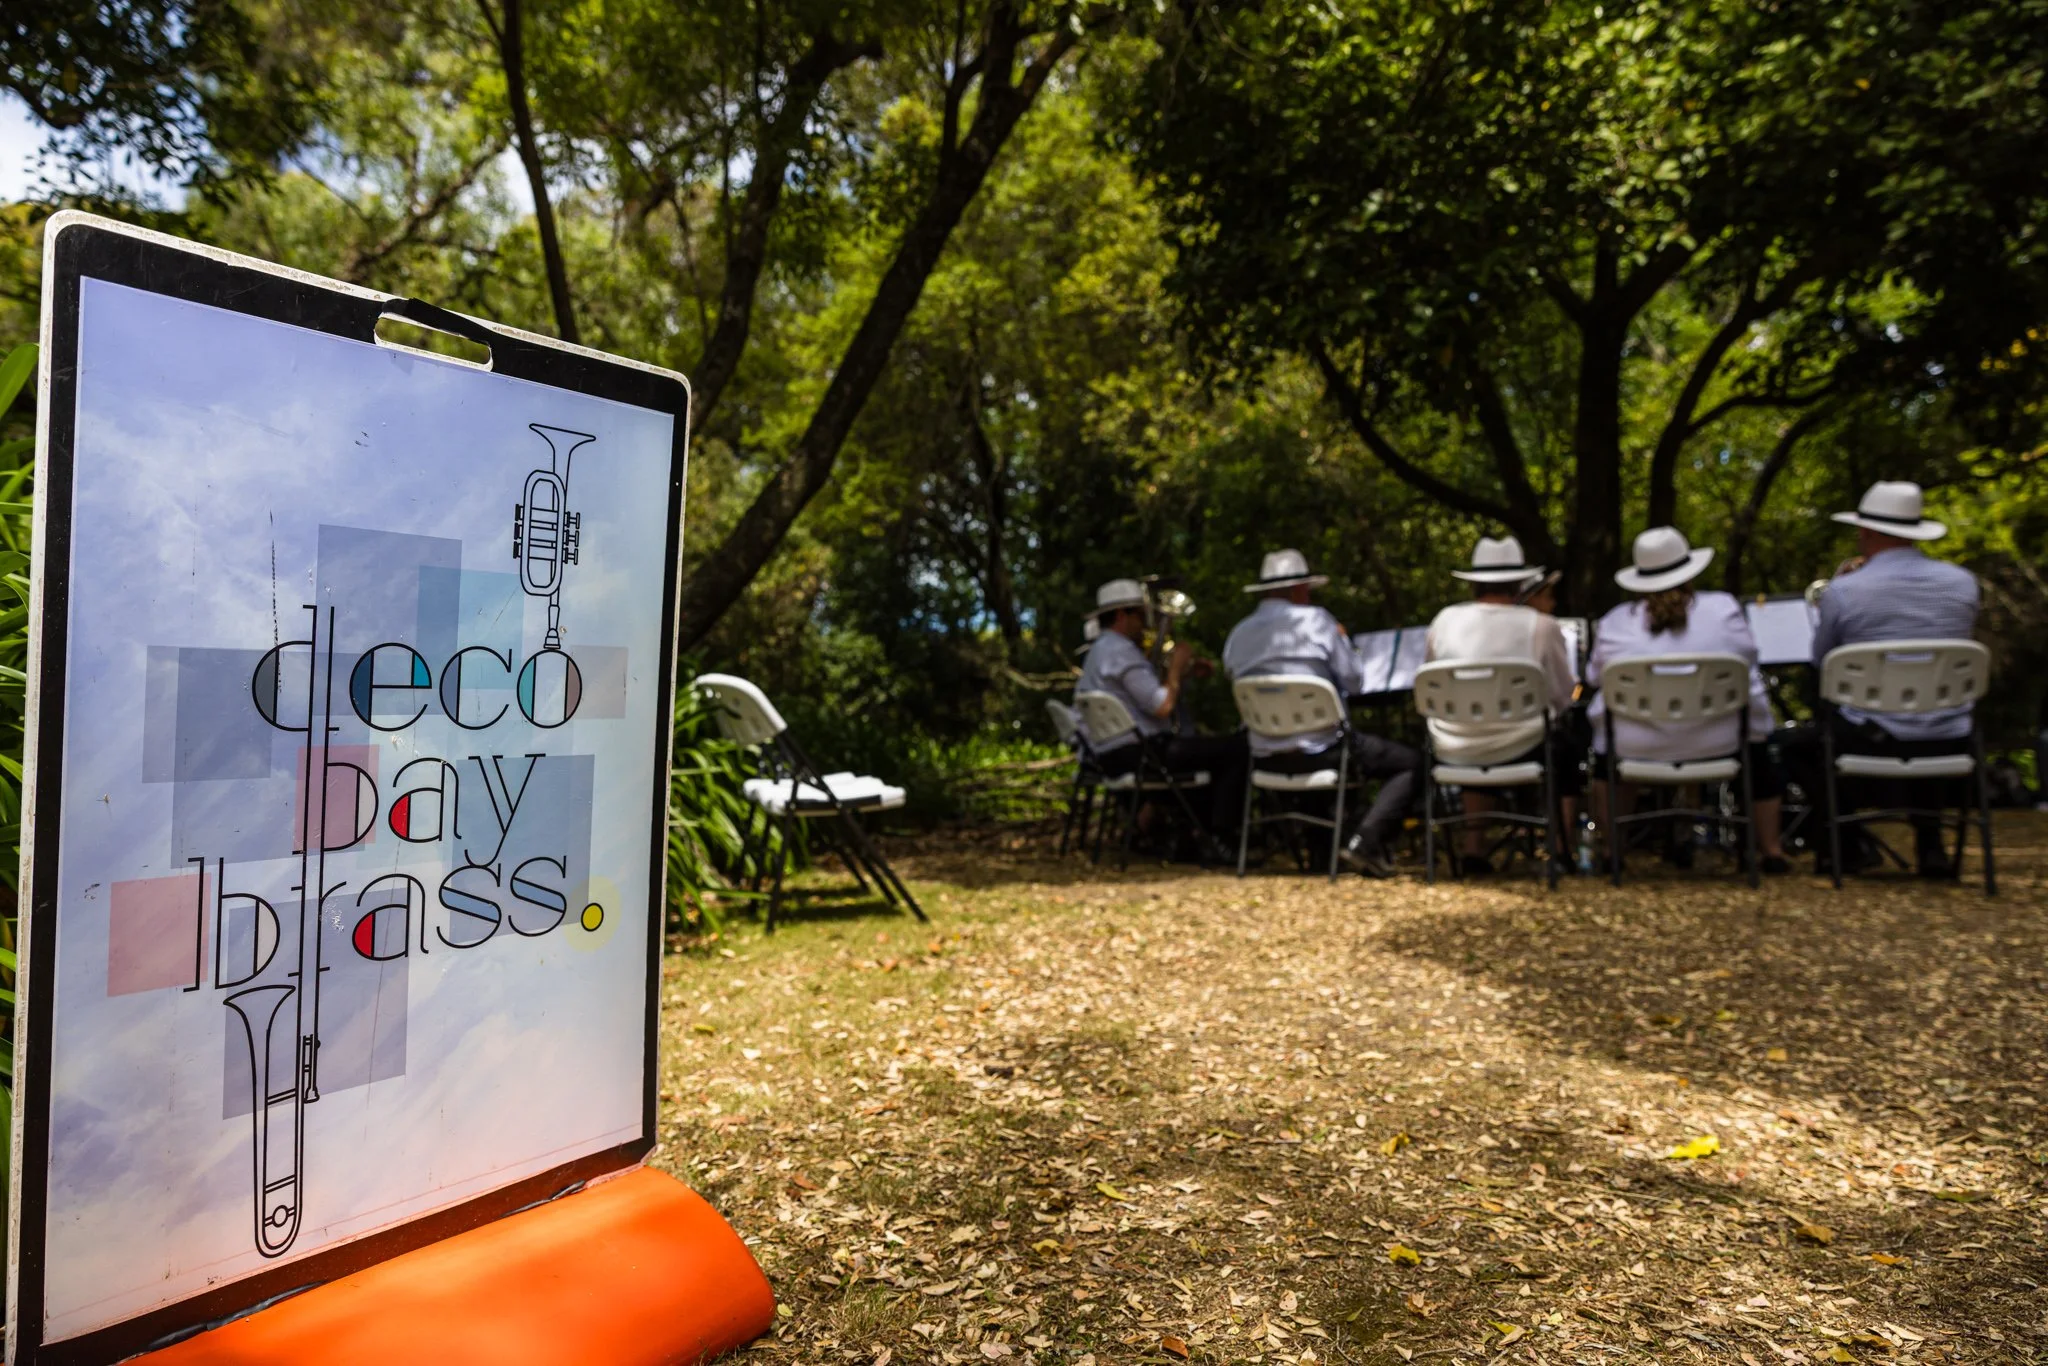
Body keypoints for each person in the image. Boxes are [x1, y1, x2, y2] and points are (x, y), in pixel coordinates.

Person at [1790, 480, 1981, 876]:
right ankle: (1930, 845)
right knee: (1923, 709)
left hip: (1871, 736)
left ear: (1868, 532)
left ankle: (1849, 843)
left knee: (1793, 745)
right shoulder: (1963, 583)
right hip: (1949, 734)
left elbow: (1822, 663)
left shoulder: (1843, 592)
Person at [1586, 527, 1791, 873]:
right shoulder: (1723, 609)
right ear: (1689, 572)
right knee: (1760, 747)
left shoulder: (1616, 623)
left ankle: (1612, 849)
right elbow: (1749, 658)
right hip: (1720, 739)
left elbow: (1593, 677)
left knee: (1608, 763)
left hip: (1637, 743)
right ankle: (1770, 849)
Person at [1221, 549, 1420, 877]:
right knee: (1411, 764)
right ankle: (1365, 841)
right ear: (1301, 589)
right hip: (1325, 751)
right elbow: (1355, 682)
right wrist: (1343, 642)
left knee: (1326, 742)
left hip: (1265, 752)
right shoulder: (1318, 621)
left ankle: (1323, 853)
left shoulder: (1238, 635)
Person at [1423, 536, 1581, 874]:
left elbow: (1430, 682)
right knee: (1566, 749)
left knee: (1478, 730)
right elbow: (1563, 695)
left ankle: (1473, 847)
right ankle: (1560, 848)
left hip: (1455, 745)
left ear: (1473, 583)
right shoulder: (1540, 626)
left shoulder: (1443, 621)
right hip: (1524, 744)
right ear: (1521, 583)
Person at [1075, 578, 1248, 841]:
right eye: (1142, 615)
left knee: (1209, 749)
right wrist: (1176, 668)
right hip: (1141, 754)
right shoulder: (1121, 652)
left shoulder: (1101, 651)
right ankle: (1221, 837)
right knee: (1237, 748)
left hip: (1114, 753)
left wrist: (1180, 673)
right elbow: (1162, 706)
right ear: (1122, 615)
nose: (1147, 622)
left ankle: (1191, 834)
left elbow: (1141, 691)